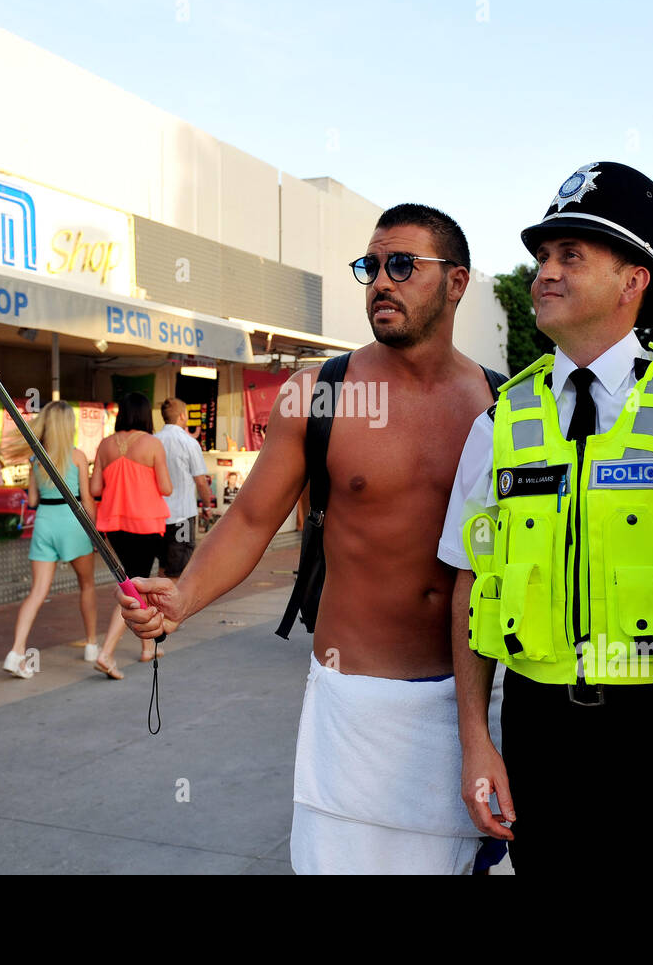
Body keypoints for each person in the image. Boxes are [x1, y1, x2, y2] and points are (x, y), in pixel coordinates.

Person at [121, 204, 501, 874]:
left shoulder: (502, 404)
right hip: (351, 704)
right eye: (371, 266)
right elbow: (246, 522)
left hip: (470, 705)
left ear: (457, 281)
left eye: (403, 265)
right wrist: (180, 599)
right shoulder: (320, 394)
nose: (381, 281)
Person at [440, 162, 653, 877]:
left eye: (570, 256)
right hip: (540, 739)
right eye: (541, 258)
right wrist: (477, 739)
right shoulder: (500, 421)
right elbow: (471, 585)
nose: (543, 275)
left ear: (633, 281)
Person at [3, 400, 99, 677]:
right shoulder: (78, 456)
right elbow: (87, 498)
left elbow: (32, 499)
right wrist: (96, 531)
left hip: (45, 521)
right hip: (72, 520)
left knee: (37, 592)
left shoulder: (36, 457)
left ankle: (17, 651)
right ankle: (92, 644)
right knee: (87, 584)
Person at [91, 392, 171, 678]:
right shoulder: (152, 443)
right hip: (146, 523)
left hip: (114, 523)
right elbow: (166, 487)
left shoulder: (105, 445)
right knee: (134, 588)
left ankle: (148, 647)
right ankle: (107, 652)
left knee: (132, 580)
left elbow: (96, 489)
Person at [155, 398, 211, 580]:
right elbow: (201, 482)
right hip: (182, 517)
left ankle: (157, 607)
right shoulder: (189, 443)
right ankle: (171, 607)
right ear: (182, 416)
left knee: (163, 567)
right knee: (179, 571)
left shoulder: (153, 441)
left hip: (157, 518)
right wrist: (207, 506)